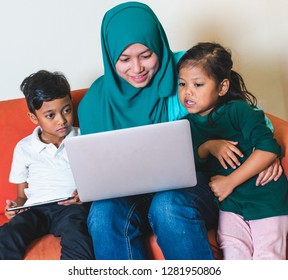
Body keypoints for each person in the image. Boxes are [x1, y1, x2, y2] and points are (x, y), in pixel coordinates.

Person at [78, 2, 282, 260]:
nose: (137, 68)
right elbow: (94, 168)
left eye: (146, 55)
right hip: (130, 196)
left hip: (193, 187)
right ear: (109, 56)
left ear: (159, 45)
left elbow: (240, 111)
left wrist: (265, 153)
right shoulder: (95, 102)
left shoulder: (185, 71)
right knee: (103, 212)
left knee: (168, 205)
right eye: (124, 59)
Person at [177, 42, 288, 259]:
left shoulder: (239, 110)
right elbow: (185, 165)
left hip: (265, 198)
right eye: (182, 84)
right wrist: (207, 147)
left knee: (268, 259)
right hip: (230, 205)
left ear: (222, 87)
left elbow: (268, 149)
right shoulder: (184, 125)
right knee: (235, 259)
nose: (187, 92)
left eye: (198, 84)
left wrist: (230, 181)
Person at [0, 70, 94, 260]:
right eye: (50, 115)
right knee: (7, 236)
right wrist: (15, 208)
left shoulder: (85, 137)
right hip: (36, 210)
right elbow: (21, 196)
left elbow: (97, 179)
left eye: (66, 110)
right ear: (34, 118)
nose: (62, 120)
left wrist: (85, 194)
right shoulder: (24, 148)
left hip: (71, 208)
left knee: (78, 236)